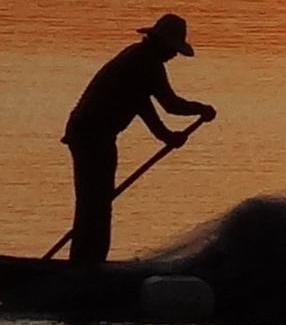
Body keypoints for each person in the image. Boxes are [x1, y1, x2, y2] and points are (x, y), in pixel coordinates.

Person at [63, 13, 217, 263]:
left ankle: (86, 262)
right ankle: (85, 265)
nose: (174, 56)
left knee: (96, 203)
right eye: (173, 49)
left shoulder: (138, 58)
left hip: (91, 134)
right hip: (92, 135)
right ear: (162, 43)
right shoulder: (146, 63)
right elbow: (170, 104)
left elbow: (142, 104)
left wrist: (166, 136)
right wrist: (201, 109)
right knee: (96, 204)